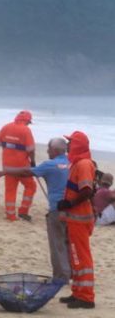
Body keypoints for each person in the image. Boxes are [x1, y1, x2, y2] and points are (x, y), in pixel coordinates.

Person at [0, 138, 71, 281]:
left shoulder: (50, 165)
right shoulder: (72, 163)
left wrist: (4, 171)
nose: (47, 151)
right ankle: (72, 274)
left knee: (57, 244)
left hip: (57, 209)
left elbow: (25, 171)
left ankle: (61, 277)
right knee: (69, 243)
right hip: (74, 209)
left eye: (49, 148)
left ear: (56, 150)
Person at [57, 131, 97, 308]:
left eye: (70, 142)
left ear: (77, 145)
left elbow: (86, 191)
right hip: (75, 219)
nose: (67, 145)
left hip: (80, 219)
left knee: (81, 258)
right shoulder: (77, 163)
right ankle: (78, 292)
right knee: (76, 258)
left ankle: (86, 297)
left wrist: (68, 203)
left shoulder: (83, 164)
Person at [0, 111, 36, 221]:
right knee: (31, 186)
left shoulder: (6, 127)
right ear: (27, 120)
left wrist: (10, 147)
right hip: (22, 167)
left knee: (10, 190)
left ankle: (10, 215)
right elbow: (31, 149)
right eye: (28, 122)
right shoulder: (26, 130)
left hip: (7, 166)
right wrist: (32, 161)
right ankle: (23, 211)